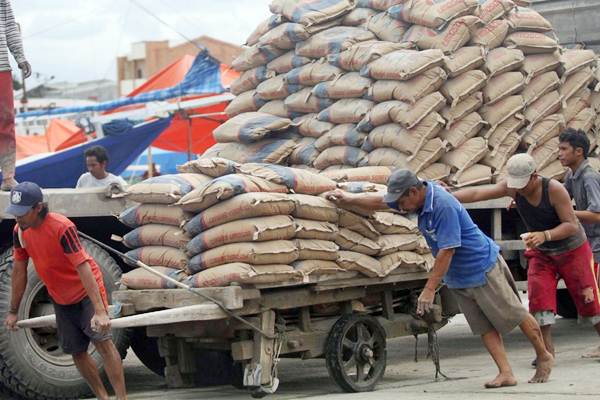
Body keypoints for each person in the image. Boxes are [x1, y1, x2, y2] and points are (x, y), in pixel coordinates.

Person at [326, 169, 553, 388]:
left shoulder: (442, 205)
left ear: (413, 192)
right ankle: (506, 373)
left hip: (482, 267)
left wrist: (429, 289)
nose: (400, 208)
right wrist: (348, 198)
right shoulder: (417, 199)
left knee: (515, 314)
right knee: (483, 326)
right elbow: (381, 201)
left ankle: (543, 355)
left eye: (402, 202)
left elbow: (447, 250)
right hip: (458, 275)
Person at [452, 153, 600, 361]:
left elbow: (571, 224)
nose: (519, 189)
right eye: (516, 185)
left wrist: (545, 235)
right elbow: (478, 193)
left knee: (589, 299)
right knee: (540, 299)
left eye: (523, 184)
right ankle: (546, 352)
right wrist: (446, 195)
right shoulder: (513, 188)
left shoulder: (554, 190)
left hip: (572, 250)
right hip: (542, 253)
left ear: (534, 176)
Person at [3, 182, 127, 400]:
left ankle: (121, 398)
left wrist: (99, 310)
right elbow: (19, 271)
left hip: (86, 292)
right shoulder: (19, 232)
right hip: (60, 297)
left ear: (38, 207)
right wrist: (13, 311)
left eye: (22, 213)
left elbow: (83, 267)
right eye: (15, 214)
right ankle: (102, 397)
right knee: (77, 352)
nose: (18, 218)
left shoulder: (62, 227)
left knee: (102, 343)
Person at [558, 128, 600, 357]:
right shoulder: (571, 177)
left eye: (564, 149)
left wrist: (571, 214)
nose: (559, 154)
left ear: (579, 151)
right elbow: (559, 199)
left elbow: (597, 214)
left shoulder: (589, 177)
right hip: (590, 243)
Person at [0, 0, 31, 191]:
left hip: (1, 66)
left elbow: (10, 25)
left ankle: (8, 177)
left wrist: (20, 56)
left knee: (6, 121)